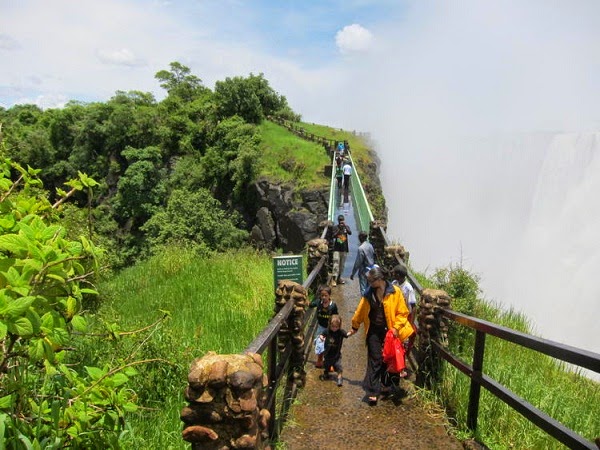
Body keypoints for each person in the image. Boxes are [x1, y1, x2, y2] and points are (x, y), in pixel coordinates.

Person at [348, 266, 414, 405]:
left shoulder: (395, 292)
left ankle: (387, 385)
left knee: (388, 358)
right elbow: (360, 311)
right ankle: (373, 391)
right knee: (375, 358)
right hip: (373, 330)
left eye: (372, 281)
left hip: (390, 331)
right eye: (369, 281)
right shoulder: (369, 293)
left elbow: (403, 312)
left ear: (380, 279)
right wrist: (355, 326)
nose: (370, 284)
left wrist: (396, 328)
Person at [318, 314, 352, 386]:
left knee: (338, 366)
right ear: (330, 325)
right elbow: (321, 335)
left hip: (336, 354)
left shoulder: (340, 332)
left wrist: (352, 332)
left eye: (336, 327)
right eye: (332, 327)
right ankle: (326, 374)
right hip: (327, 353)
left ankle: (339, 378)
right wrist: (321, 337)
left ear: (339, 326)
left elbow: (347, 335)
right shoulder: (327, 331)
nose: (334, 328)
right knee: (326, 365)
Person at [309, 286, 338, 368]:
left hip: (330, 328)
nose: (324, 297)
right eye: (322, 296)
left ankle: (330, 363)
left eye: (326, 295)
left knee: (330, 345)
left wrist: (336, 328)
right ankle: (319, 360)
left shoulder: (333, 306)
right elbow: (310, 304)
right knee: (319, 343)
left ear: (329, 295)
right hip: (321, 327)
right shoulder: (318, 302)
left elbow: (336, 317)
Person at [350, 231, 376, 295]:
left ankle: (364, 303)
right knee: (369, 287)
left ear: (360, 238)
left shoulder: (361, 248)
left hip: (363, 271)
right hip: (371, 269)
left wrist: (353, 273)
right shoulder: (370, 245)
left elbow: (358, 263)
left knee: (363, 288)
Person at [331, 214, 352, 286]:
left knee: (342, 265)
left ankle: (339, 278)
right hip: (337, 249)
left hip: (344, 249)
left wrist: (345, 226)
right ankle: (334, 280)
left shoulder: (346, 227)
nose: (341, 221)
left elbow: (350, 233)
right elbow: (333, 236)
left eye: (342, 220)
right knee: (336, 264)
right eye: (340, 220)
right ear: (338, 221)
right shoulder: (335, 227)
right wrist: (339, 230)